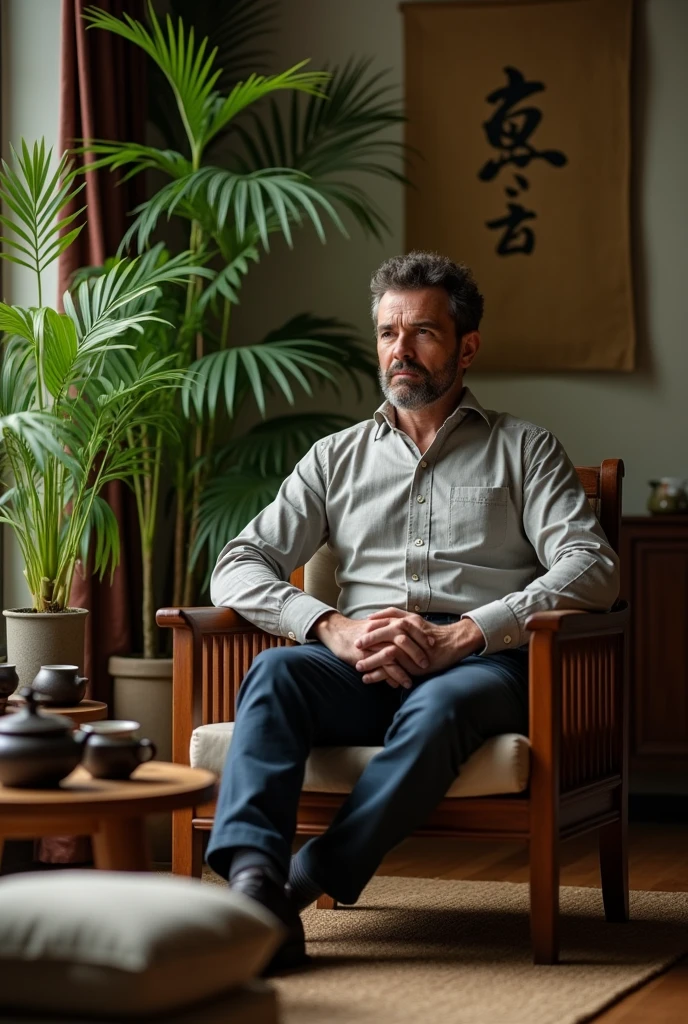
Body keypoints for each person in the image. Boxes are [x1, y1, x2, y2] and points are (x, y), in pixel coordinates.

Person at [207, 251, 619, 971]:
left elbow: (595, 567)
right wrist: (331, 626)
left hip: (480, 668)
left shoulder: (525, 450)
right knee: (275, 678)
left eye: (423, 332)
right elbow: (236, 565)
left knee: (441, 709)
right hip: (361, 663)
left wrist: (467, 632)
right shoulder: (334, 458)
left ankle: (301, 886)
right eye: (389, 332)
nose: (401, 349)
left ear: (466, 346)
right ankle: (252, 886)